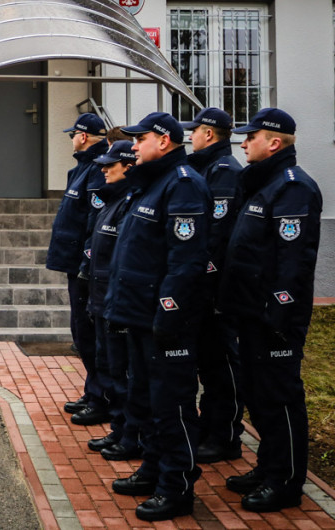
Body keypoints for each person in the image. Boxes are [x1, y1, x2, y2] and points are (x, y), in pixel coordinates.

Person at [103, 112, 211, 522]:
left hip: (164, 322)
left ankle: (176, 486)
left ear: (164, 141)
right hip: (138, 315)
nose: (133, 146)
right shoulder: (150, 184)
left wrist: (169, 314)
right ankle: (152, 468)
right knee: (145, 400)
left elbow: (185, 262)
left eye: (140, 138)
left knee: (172, 405)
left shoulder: (182, 184)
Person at [219, 108, 322, 513]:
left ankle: (286, 481)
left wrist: (279, 317)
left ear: (274, 142)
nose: (243, 143)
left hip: (274, 319)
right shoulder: (263, 184)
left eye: (251, 136)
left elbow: (292, 264)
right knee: (258, 398)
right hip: (250, 313)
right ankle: (268, 466)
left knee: (279, 398)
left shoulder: (292, 188)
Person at [181, 108, 245, 464]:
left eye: (196, 131)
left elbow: (217, 236)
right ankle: (210, 429)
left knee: (221, 365)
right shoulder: (204, 168)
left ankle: (225, 437)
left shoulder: (224, 173)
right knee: (208, 362)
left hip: (217, 288)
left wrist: (206, 282)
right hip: (202, 288)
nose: (191, 136)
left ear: (209, 134)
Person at [47, 113, 109, 425]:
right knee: (80, 332)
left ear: (83, 136)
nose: (72, 138)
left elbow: (94, 223)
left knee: (89, 333)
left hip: (86, 268)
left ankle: (101, 398)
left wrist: (86, 263)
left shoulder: (98, 170)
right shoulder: (81, 169)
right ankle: (92, 390)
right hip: (75, 265)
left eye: (74, 134)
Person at [81, 139, 141, 462]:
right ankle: (119, 429)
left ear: (128, 168)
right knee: (110, 368)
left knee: (123, 372)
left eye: (111, 165)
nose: (104, 170)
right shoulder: (112, 201)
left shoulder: (129, 203)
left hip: (116, 302)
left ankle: (130, 435)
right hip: (102, 300)